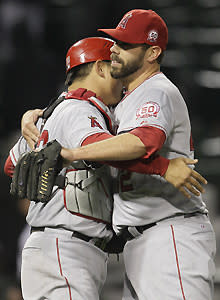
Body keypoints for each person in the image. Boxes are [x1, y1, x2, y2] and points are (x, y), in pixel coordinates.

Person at [4, 35, 205, 300]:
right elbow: (100, 147)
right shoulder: (79, 110)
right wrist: (163, 167)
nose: (122, 81)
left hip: (61, 247)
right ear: (99, 68)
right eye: (114, 68)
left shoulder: (52, 113)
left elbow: (12, 165)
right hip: (64, 247)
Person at [47, 9, 216, 300]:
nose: (113, 49)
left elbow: (142, 141)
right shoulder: (126, 101)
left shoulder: (156, 90)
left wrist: (72, 153)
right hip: (142, 242)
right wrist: (33, 117)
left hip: (170, 235)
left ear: (152, 53)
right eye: (115, 42)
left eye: (125, 45)